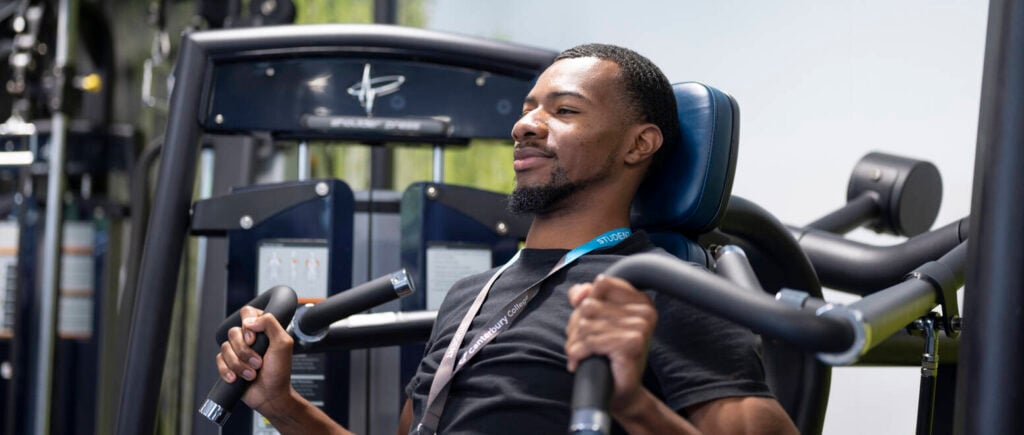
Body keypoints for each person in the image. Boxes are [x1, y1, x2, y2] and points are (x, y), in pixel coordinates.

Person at [217, 43, 798, 434]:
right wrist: (281, 404)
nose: (524, 125)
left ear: (638, 145)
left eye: (564, 110)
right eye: (527, 109)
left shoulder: (664, 286)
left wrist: (632, 405)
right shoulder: (470, 294)